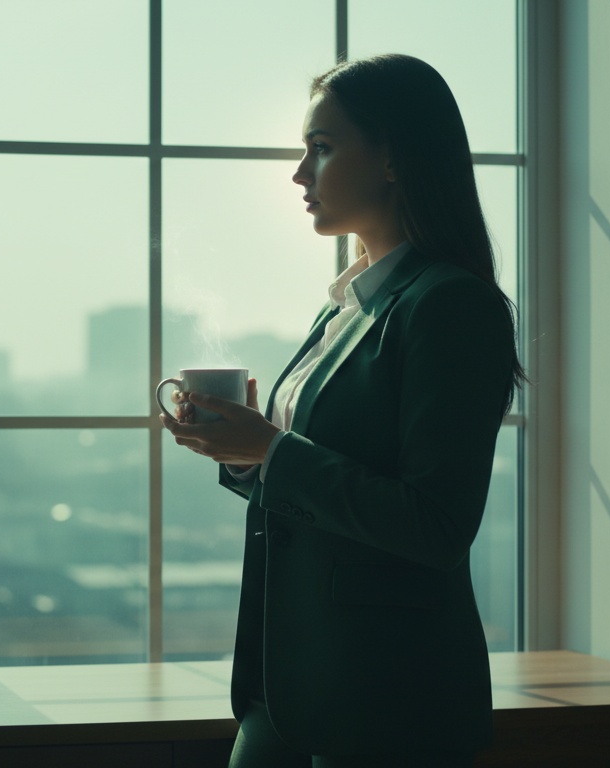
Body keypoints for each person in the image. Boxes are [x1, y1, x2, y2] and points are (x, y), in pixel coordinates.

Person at [160, 54, 524, 767]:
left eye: (321, 148)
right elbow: (316, 481)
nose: (300, 173)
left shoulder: (449, 304)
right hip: (293, 682)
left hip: (385, 698)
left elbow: (437, 526)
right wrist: (246, 453)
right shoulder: (349, 304)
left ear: (393, 158)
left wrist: (271, 450)